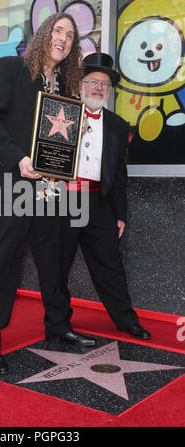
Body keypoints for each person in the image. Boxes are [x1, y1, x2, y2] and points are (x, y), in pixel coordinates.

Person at [0, 13, 97, 374]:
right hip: (11, 183)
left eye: (70, 35)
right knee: (5, 261)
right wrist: (18, 159)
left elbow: (56, 137)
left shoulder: (62, 84)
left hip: (50, 187)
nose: (63, 38)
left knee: (53, 258)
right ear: (44, 34)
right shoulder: (12, 68)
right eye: (58, 30)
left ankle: (59, 326)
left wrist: (79, 128)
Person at [61, 52, 151, 340]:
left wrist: (120, 214)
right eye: (93, 81)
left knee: (110, 264)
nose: (99, 87)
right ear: (80, 84)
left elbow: (119, 174)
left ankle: (126, 319)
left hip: (99, 203)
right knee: (57, 264)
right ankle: (59, 324)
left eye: (104, 83)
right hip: (63, 201)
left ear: (109, 90)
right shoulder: (63, 115)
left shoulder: (118, 125)